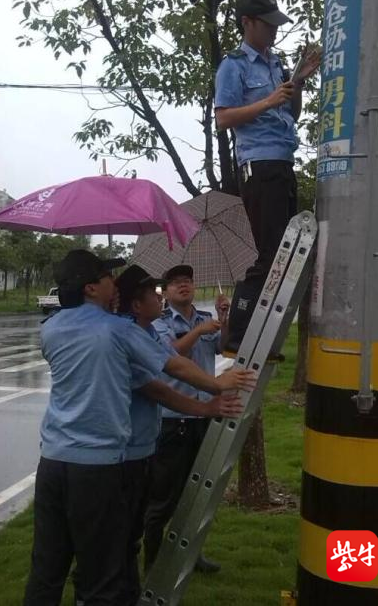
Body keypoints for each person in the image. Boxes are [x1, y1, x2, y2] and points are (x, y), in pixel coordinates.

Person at [23, 250, 252, 606]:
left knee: (47, 567)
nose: (113, 282)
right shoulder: (118, 330)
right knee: (101, 574)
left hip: (53, 461)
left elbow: (148, 383)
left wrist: (203, 406)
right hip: (97, 468)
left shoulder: (52, 328)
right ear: (91, 288)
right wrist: (217, 385)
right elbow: (172, 368)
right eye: (106, 277)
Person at [214, 0, 321, 281]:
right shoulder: (233, 65)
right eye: (268, 23)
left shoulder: (277, 65)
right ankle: (239, 326)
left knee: (288, 254)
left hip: (283, 163)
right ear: (247, 22)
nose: (274, 30)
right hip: (259, 167)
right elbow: (223, 119)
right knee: (271, 257)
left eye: (276, 23)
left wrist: (297, 83)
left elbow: (291, 115)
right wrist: (268, 101)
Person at [142, 264, 231, 574]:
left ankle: (192, 555)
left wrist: (224, 318)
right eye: (176, 282)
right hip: (174, 419)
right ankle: (152, 563)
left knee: (197, 495)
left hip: (204, 416)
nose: (184, 286)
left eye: (188, 281)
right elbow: (169, 357)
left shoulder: (207, 319)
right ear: (164, 292)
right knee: (163, 497)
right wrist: (197, 332)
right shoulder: (161, 323)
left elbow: (224, 348)